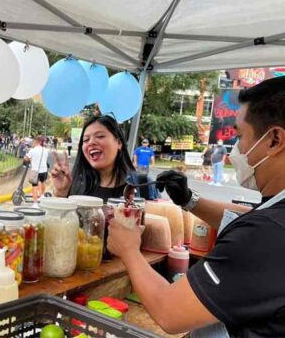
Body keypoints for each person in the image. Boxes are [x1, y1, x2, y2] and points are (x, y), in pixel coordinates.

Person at [107, 76, 285, 337]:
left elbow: (169, 312)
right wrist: (188, 200)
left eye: (239, 135)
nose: (235, 150)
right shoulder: (273, 219)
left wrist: (128, 249)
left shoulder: (266, 235)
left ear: (274, 140)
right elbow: (252, 218)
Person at [51, 115, 135, 201]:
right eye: (86, 140)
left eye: (100, 136)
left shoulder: (138, 185)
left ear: (119, 143)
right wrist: (61, 192)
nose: (91, 142)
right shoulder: (74, 182)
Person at [24, 136, 49, 205]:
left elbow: (26, 159)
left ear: (36, 142)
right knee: (43, 182)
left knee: (35, 186)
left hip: (35, 171)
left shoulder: (33, 150)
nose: (33, 143)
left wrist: (26, 156)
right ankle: (42, 195)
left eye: (33, 141)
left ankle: (35, 204)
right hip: (44, 170)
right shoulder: (45, 150)